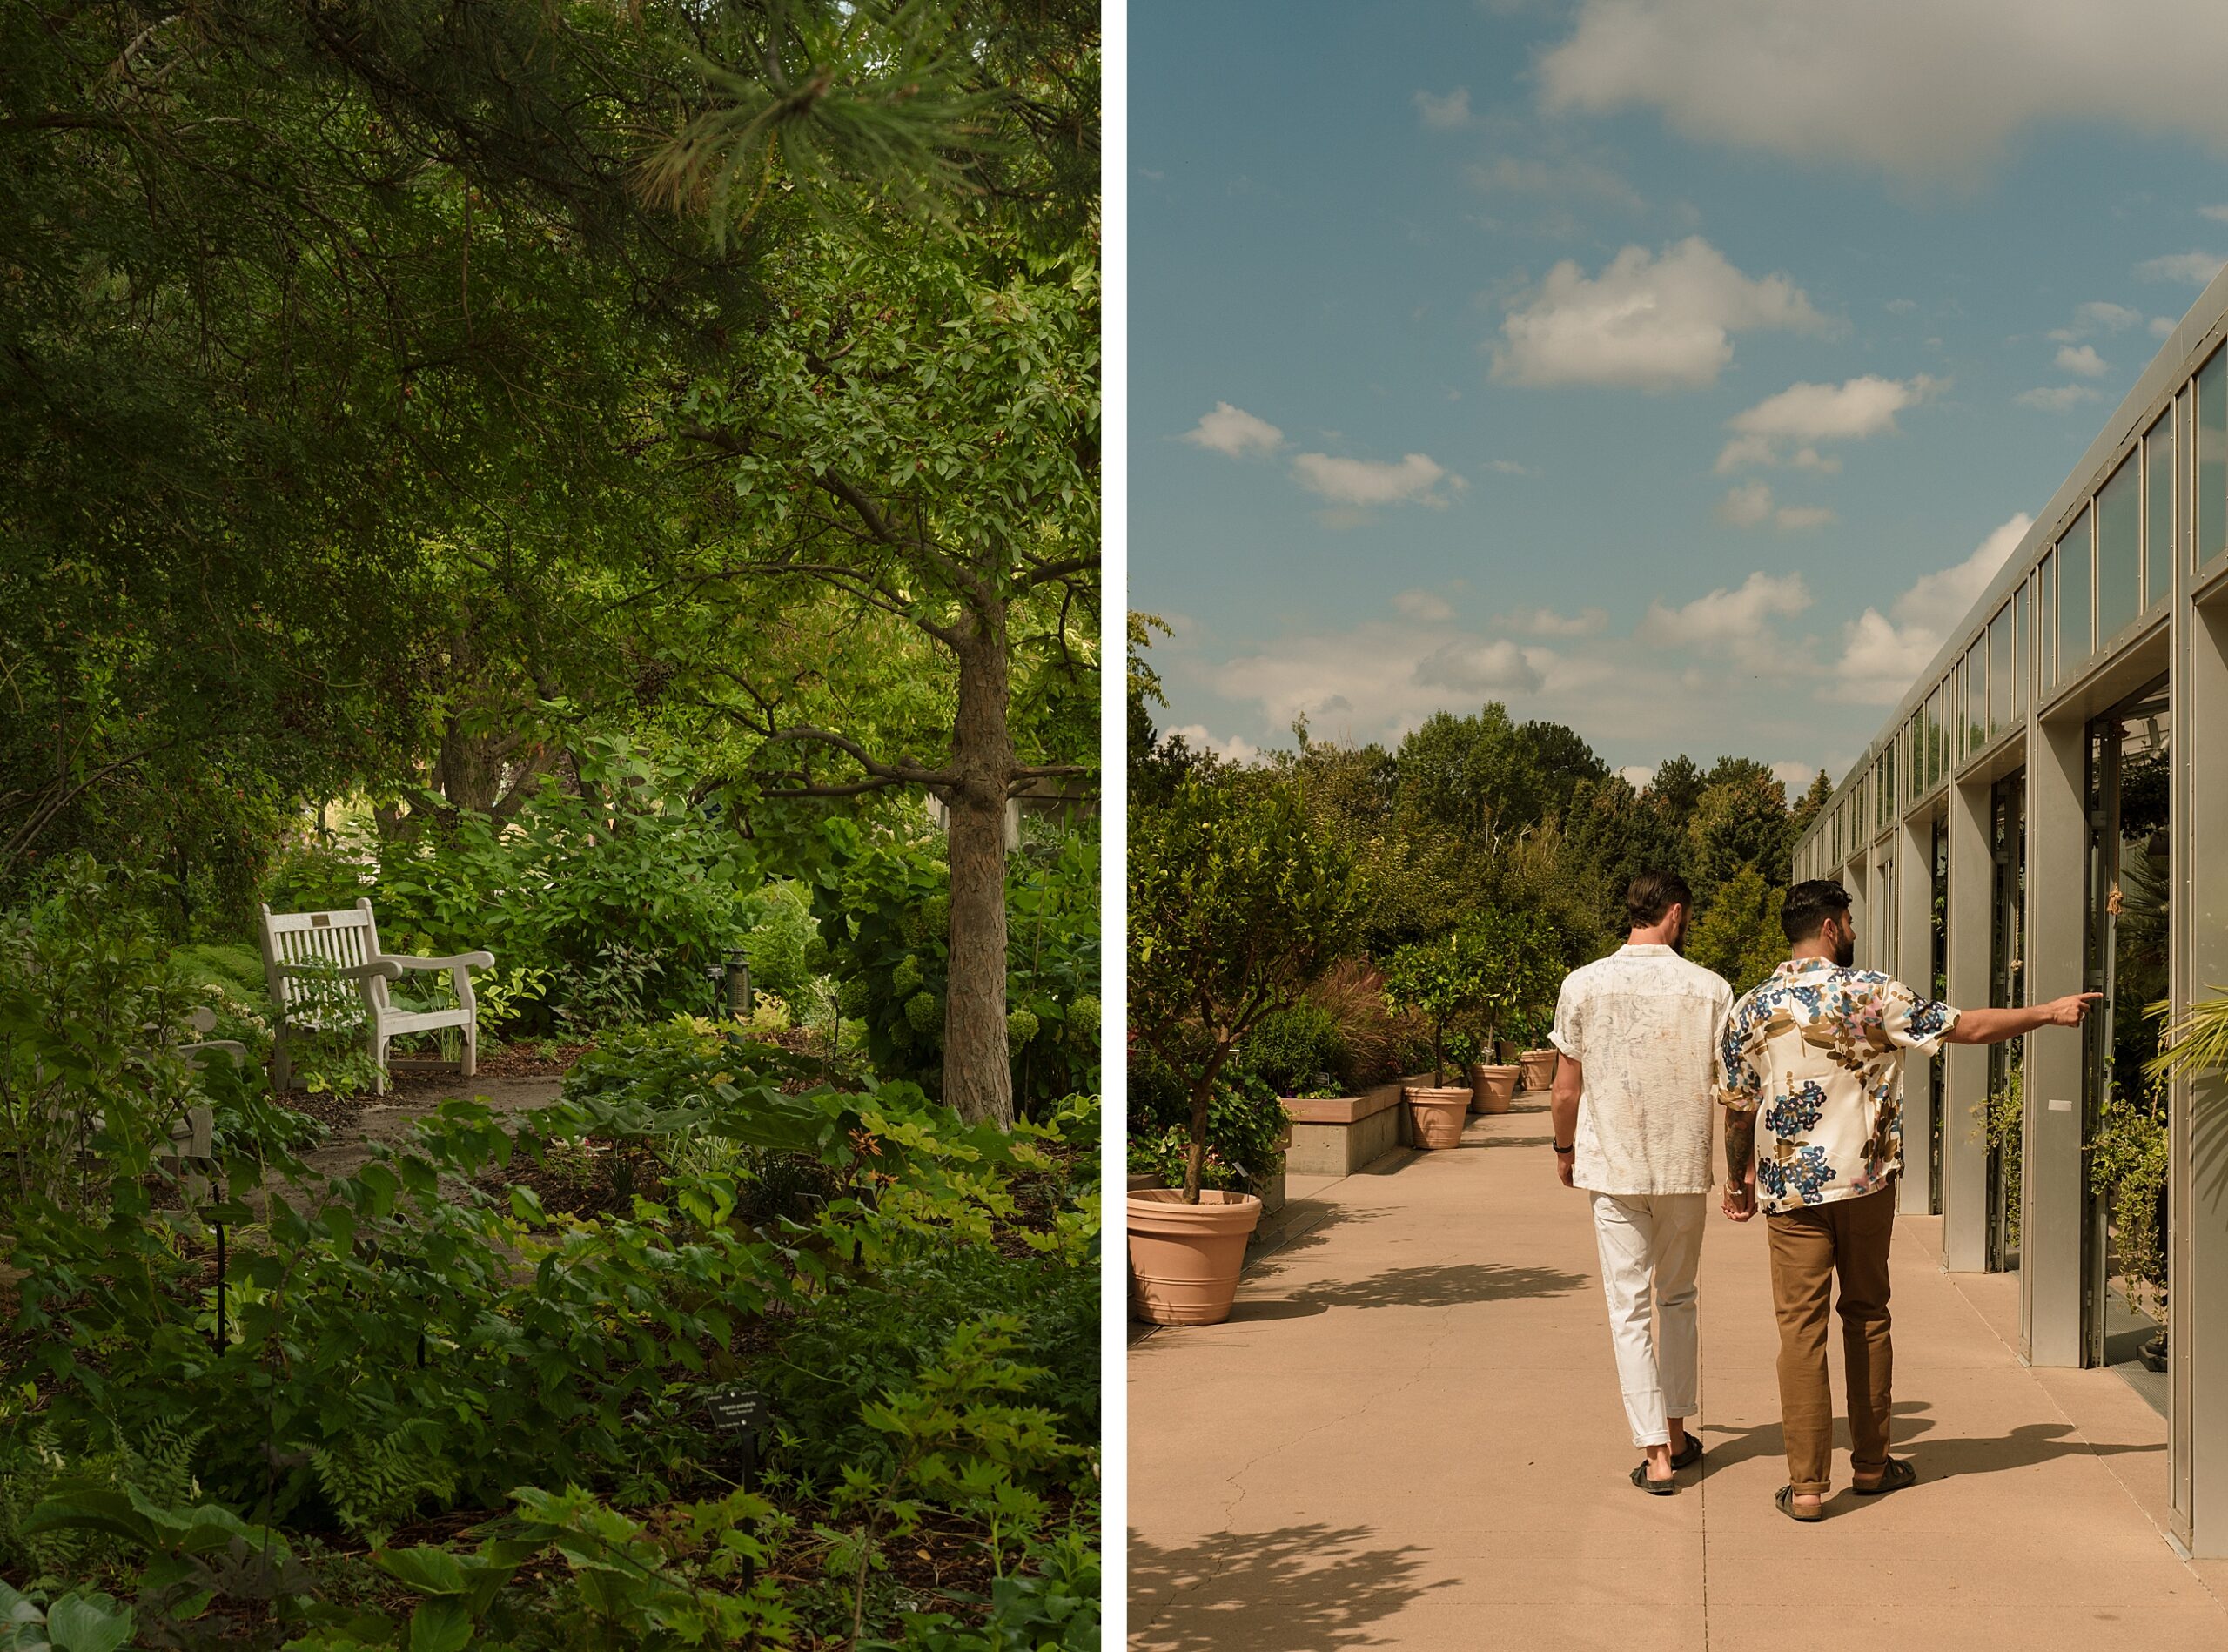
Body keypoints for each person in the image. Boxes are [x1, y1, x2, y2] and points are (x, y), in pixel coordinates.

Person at [1716, 878, 2098, 1521]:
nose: (1855, 932)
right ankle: (1870, 1466)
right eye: (1851, 921)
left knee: (1800, 1330)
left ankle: (1807, 1487)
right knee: (1866, 1314)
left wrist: (1736, 1181)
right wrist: (2047, 1013)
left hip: (1791, 1193)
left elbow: (1735, 1110)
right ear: (1833, 926)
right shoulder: (1874, 992)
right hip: (1865, 1185)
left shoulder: (1749, 1009)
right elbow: (1964, 1026)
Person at [1548, 870, 1732, 1495]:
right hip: (1682, 1168)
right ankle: (1678, 1433)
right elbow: (1732, 1088)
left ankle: (1654, 1454)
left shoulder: (1582, 985)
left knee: (1627, 1308)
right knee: (1677, 1298)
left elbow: (1564, 1088)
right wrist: (1739, 1171)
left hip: (1614, 1167)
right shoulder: (1711, 989)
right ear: (1676, 914)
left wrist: (1564, 1148)